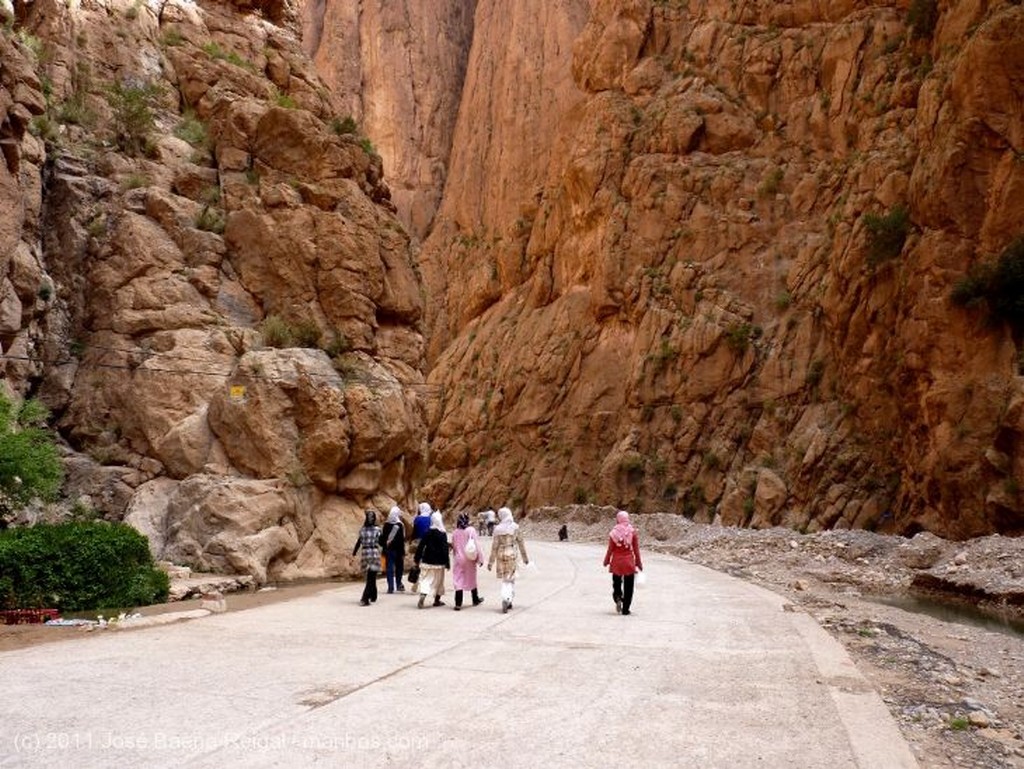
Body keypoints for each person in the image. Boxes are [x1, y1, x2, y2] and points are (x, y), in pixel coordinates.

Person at [487, 507, 529, 613]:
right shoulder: (515, 527)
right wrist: (525, 559)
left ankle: (506, 599)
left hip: (501, 555)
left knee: (505, 579)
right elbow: (521, 544)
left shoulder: (497, 529)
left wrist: (490, 562)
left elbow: (494, 547)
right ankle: (508, 599)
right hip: (511, 554)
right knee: (511, 579)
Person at [603, 510, 643, 616]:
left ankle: (618, 597)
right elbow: (636, 549)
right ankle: (626, 609)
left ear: (618, 519)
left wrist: (606, 560)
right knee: (629, 587)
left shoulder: (613, 533)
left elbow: (610, 549)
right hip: (629, 562)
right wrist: (638, 562)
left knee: (616, 584)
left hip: (616, 563)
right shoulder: (632, 531)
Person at [414, 511, 450, 608]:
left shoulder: (427, 532)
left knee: (426, 580)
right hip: (439, 562)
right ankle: (437, 600)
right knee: (439, 582)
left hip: (427, 560)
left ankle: (423, 595)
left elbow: (421, 546)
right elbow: (445, 549)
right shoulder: (442, 534)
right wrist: (447, 562)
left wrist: (417, 558)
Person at [451, 513, 484, 611]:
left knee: (458, 579)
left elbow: (454, 546)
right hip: (470, 559)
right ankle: (475, 599)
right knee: (471, 578)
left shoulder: (455, 532)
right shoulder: (471, 530)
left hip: (459, 559)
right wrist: (480, 559)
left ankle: (458, 603)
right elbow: (477, 545)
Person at [351, 509, 382, 606]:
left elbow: (358, 542)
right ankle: (365, 598)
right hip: (374, 553)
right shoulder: (378, 530)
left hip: (365, 554)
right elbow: (382, 542)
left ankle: (373, 595)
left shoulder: (362, 530)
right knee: (371, 576)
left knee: (370, 576)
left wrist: (354, 553)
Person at [379, 506, 406, 594]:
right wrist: (403, 551)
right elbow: (402, 539)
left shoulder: (386, 525)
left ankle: (390, 587)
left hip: (389, 550)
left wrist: (384, 546)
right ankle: (398, 584)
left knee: (389, 568)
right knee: (399, 568)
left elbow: (383, 538)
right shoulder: (399, 525)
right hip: (398, 550)